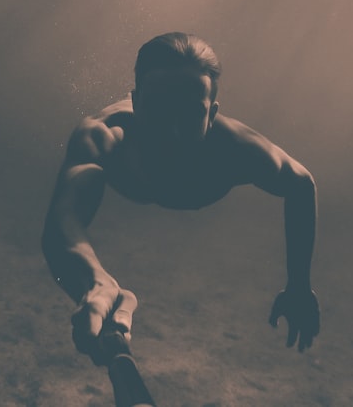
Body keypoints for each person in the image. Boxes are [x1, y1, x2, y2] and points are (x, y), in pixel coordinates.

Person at [41, 32, 320, 366]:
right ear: (135, 100)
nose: (171, 132)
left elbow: (301, 184)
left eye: (189, 114)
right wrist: (95, 281)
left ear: (212, 114)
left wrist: (299, 285)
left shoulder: (235, 149)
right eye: (158, 109)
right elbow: (63, 221)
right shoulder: (105, 135)